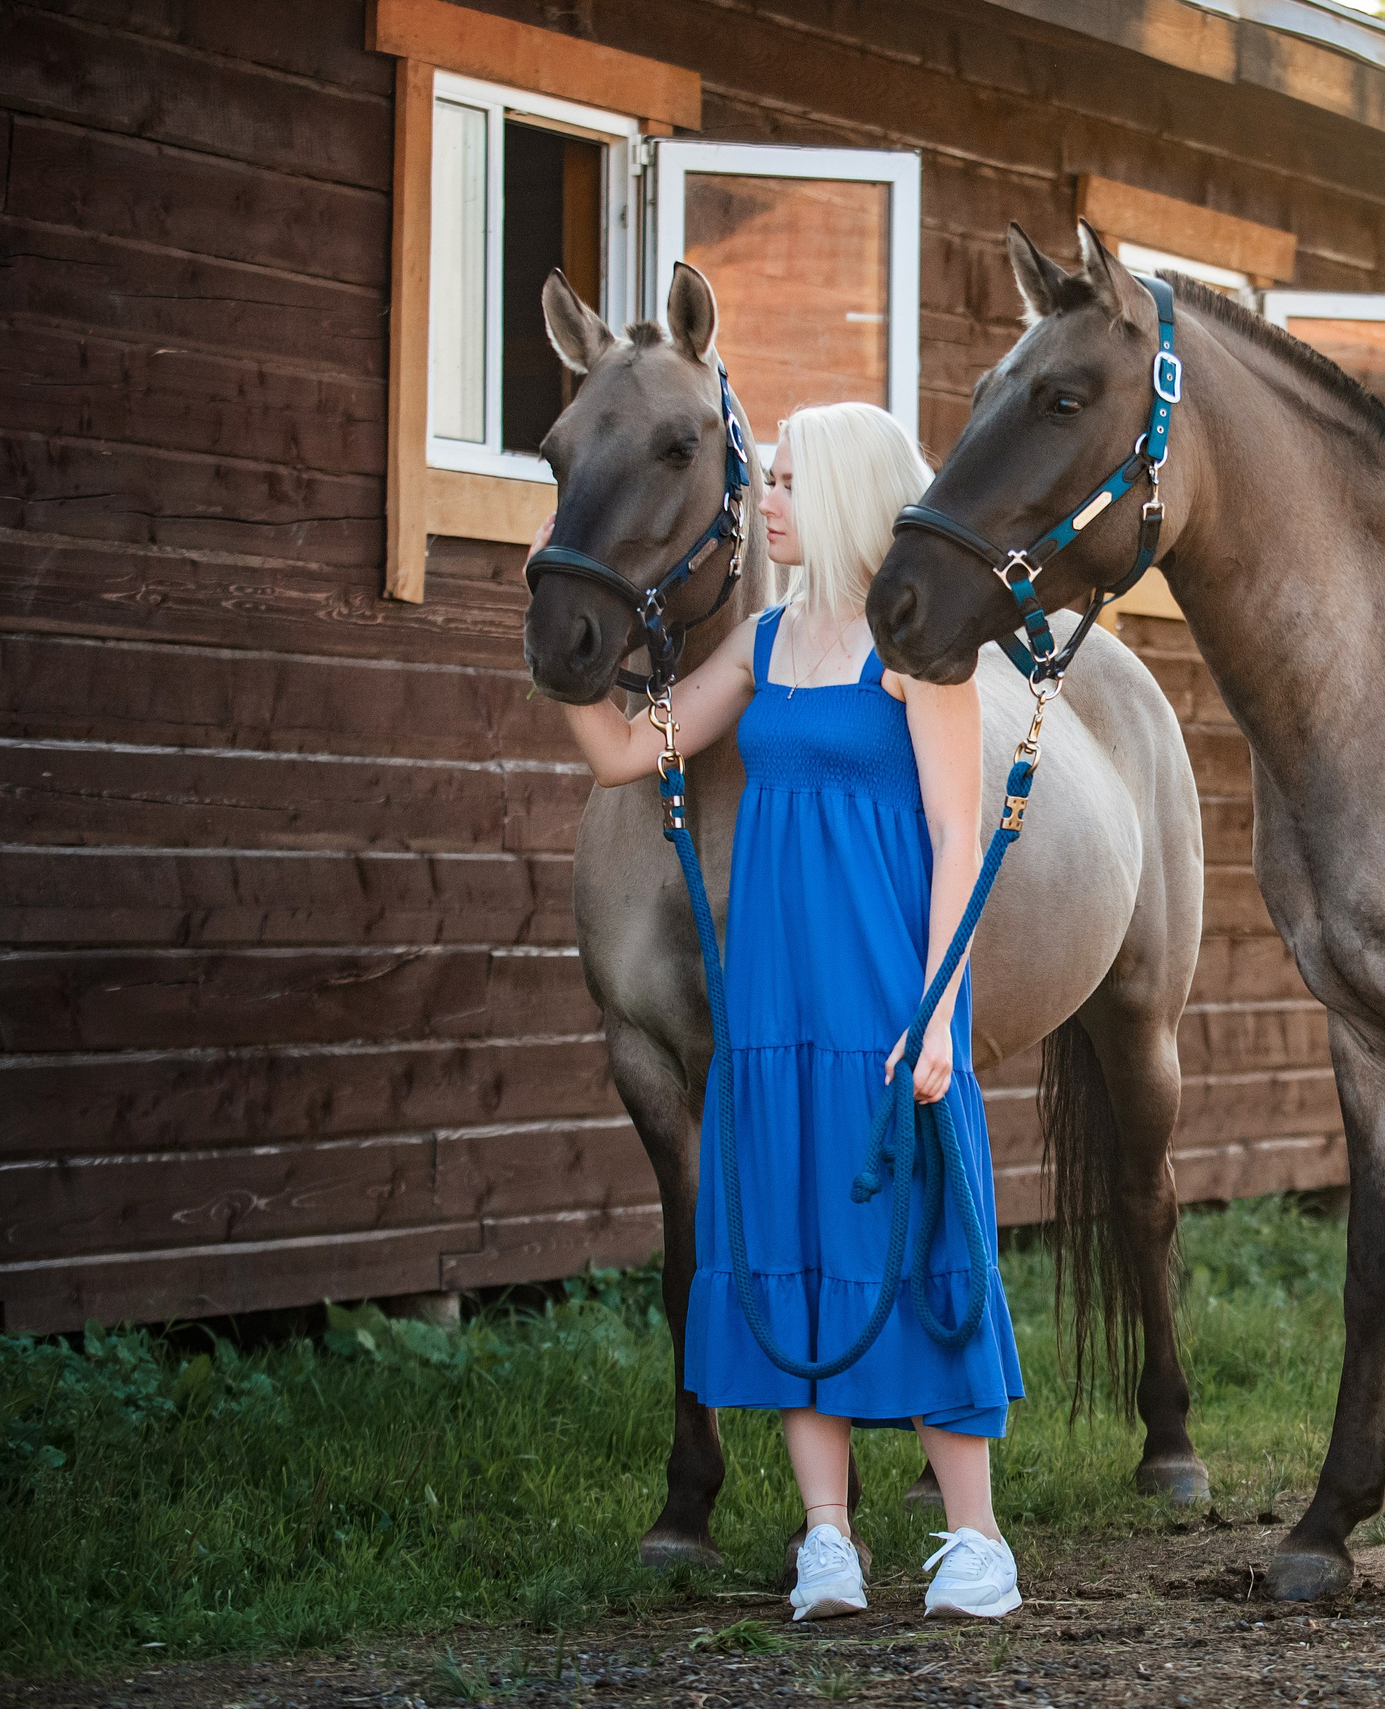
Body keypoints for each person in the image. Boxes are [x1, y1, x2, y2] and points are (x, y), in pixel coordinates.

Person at [547, 401, 1024, 1621]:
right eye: (764, 476)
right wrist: (557, 647)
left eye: (787, 479)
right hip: (772, 1007)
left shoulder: (918, 650)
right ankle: (828, 1539)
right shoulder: (762, 642)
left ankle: (975, 1540)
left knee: (919, 1248)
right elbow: (625, 752)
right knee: (796, 1246)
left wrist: (936, 1013)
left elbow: (960, 839)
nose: (762, 496)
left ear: (853, 494)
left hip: (884, 998)